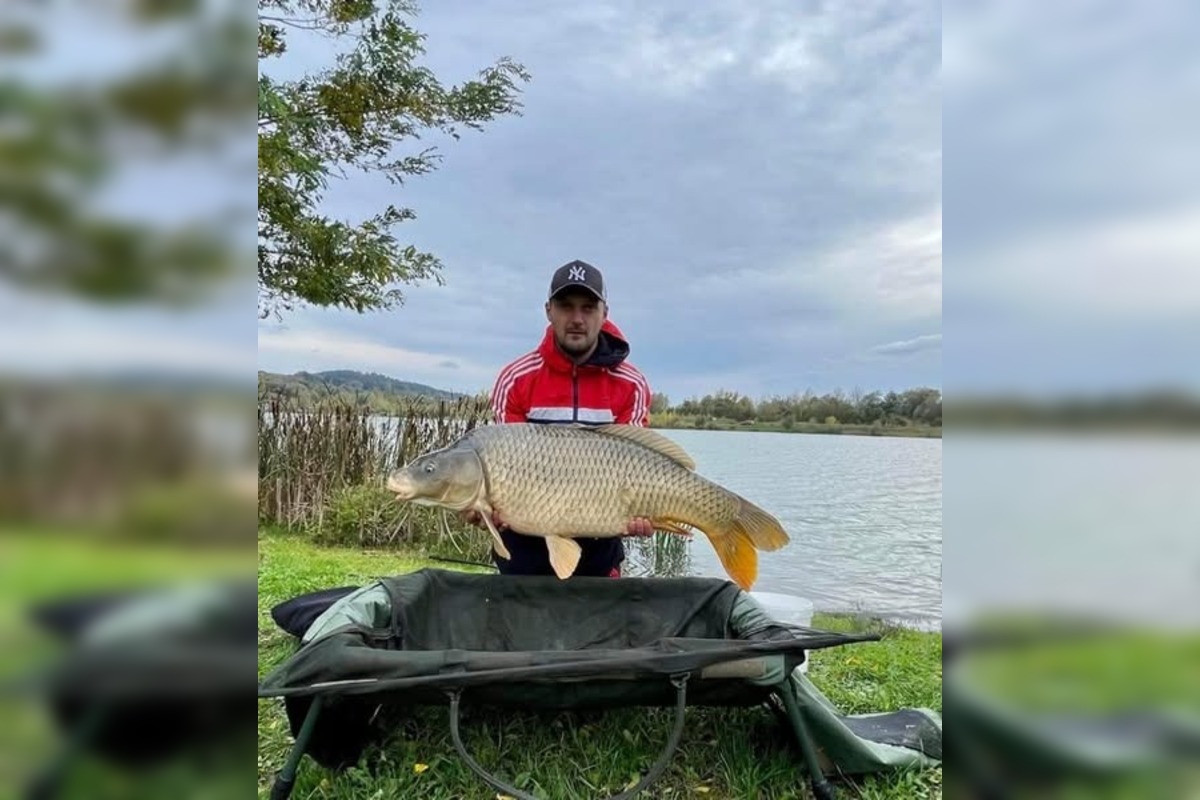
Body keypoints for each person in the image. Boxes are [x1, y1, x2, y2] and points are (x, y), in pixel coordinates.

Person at [465, 259, 658, 577]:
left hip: (600, 554)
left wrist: (643, 515)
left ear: (604, 313)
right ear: (548, 311)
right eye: (566, 306)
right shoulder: (515, 379)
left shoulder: (630, 384)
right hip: (522, 556)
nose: (577, 319)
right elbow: (503, 464)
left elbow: (634, 464)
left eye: (588, 308)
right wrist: (484, 509)